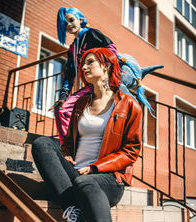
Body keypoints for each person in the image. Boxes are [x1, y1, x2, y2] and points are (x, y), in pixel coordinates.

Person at [32, 47, 142, 222]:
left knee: (85, 183)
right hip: (77, 174)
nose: (83, 67)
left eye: (90, 62)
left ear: (107, 65)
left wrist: (95, 168)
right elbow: (69, 144)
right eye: (82, 63)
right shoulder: (81, 105)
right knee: (42, 143)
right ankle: (75, 211)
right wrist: (68, 155)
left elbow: (131, 151)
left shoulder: (129, 105)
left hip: (107, 180)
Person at [53, 6, 163, 145]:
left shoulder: (91, 34)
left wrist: (104, 71)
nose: (68, 25)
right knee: (62, 110)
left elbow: (111, 49)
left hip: (104, 83)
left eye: (71, 20)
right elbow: (69, 74)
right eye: (65, 23)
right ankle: (69, 149)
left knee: (112, 116)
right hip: (89, 88)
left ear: (80, 20)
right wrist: (63, 96)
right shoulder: (73, 48)